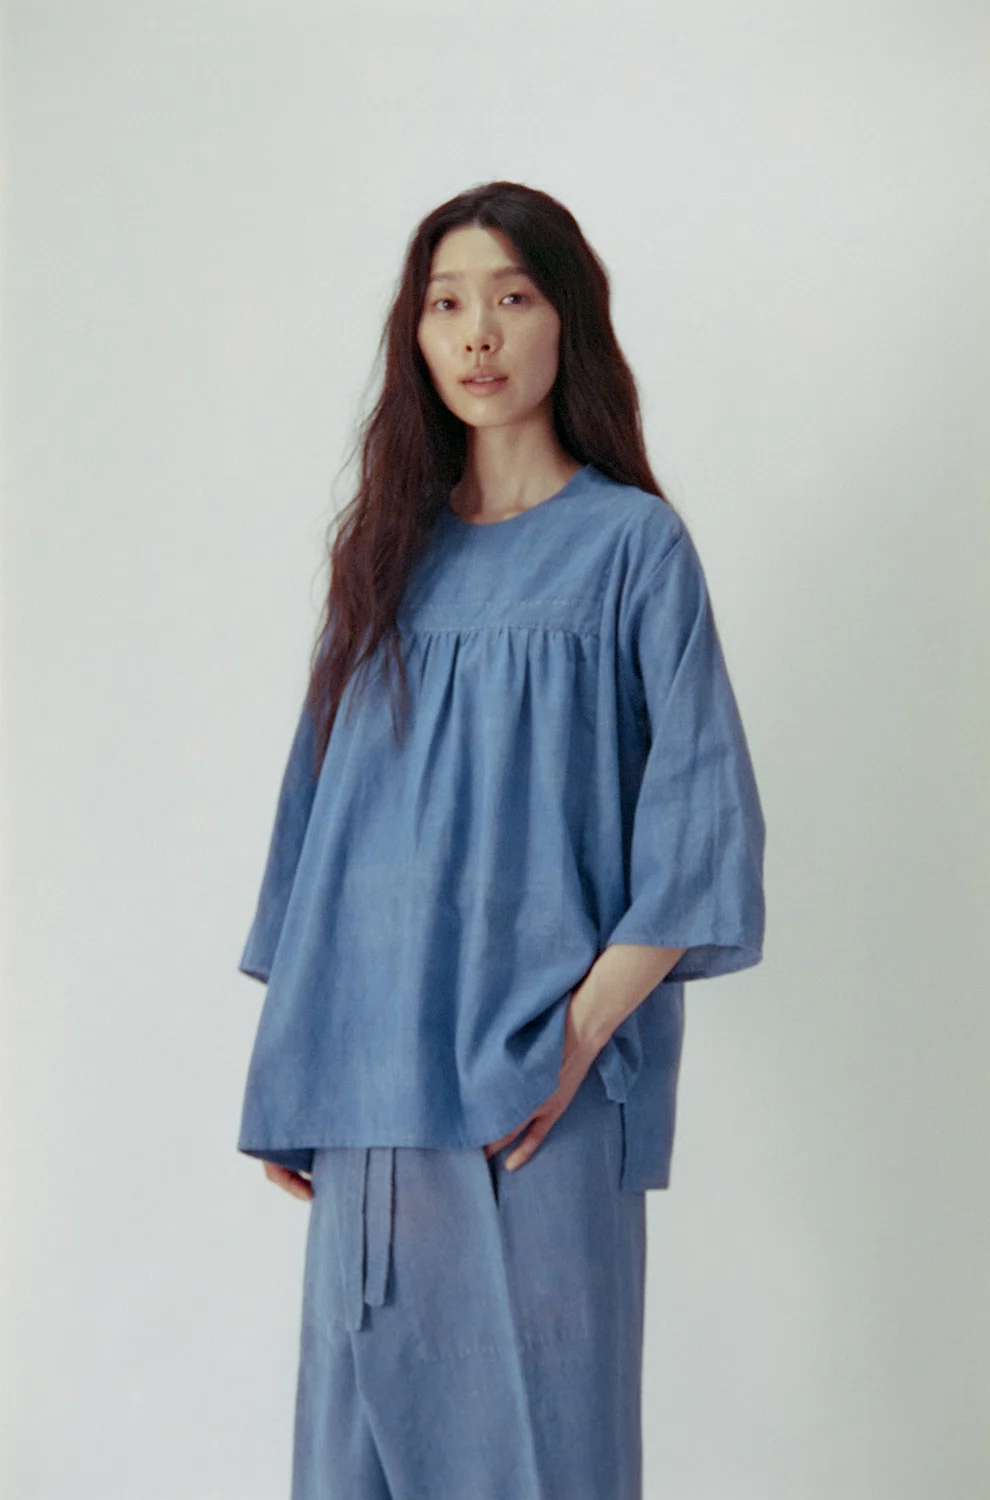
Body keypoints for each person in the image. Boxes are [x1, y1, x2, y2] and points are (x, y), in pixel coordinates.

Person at [235, 180, 766, 1500]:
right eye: (446, 303)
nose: (478, 333)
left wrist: (573, 1043)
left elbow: (700, 830)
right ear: (416, 338)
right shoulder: (383, 561)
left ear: (566, 320)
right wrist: (301, 1079)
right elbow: (314, 842)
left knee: (548, 1452)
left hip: (542, 1095)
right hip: (371, 1094)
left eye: (512, 297)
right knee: (355, 1457)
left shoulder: (633, 549)